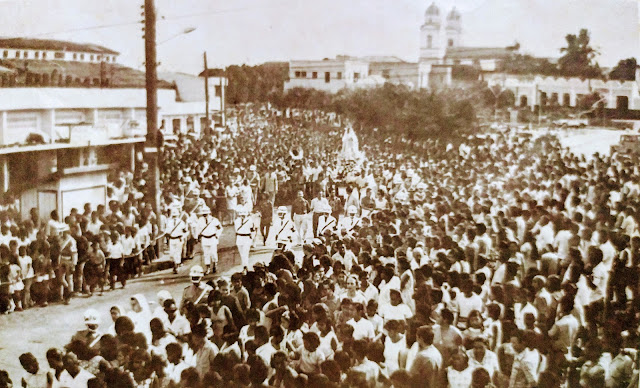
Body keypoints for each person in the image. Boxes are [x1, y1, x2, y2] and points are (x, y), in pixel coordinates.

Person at [196, 206, 222, 274]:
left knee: (213, 253)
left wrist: (217, 235)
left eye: (206, 213)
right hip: (204, 238)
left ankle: (214, 265)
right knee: (206, 254)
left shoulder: (214, 220)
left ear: (209, 213)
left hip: (212, 238)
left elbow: (220, 228)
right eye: (203, 214)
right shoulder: (200, 220)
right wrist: (198, 236)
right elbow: (198, 229)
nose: (205, 215)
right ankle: (207, 267)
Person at [166, 205, 187, 274]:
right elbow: (167, 231)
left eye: (175, 216)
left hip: (178, 238)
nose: (174, 217)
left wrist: (183, 237)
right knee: (172, 253)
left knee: (178, 252)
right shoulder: (169, 222)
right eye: (173, 216)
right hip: (172, 239)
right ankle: (175, 264)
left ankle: (176, 266)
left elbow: (185, 231)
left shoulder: (181, 222)